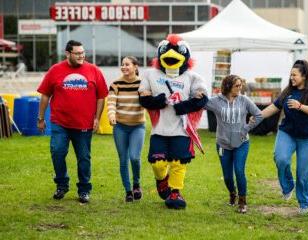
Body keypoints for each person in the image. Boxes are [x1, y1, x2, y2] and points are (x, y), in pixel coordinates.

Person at [139, 34, 208, 209]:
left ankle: (176, 192)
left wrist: (182, 106)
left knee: (178, 162)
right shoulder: (150, 74)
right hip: (159, 129)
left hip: (182, 130)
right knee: (157, 162)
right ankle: (162, 179)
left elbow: (202, 100)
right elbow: (143, 98)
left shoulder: (193, 77)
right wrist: (159, 101)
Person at [37, 40, 108, 203]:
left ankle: (84, 189)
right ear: (67, 53)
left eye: (83, 53)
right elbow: (45, 95)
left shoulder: (94, 71)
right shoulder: (55, 70)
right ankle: (62, 185)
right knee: (57, 152)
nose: (81, 56)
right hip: (60, 122)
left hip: (83, 124)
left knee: (84, 157)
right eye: (77, 53)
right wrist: (40, 118)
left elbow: (101, 96)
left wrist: (97, 117)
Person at [259, 59, 308, 214]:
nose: (291, 78)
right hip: (288, 133)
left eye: (294, 75)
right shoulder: (288, 91)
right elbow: (274, 107)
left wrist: (300, 106)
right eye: (290, 75)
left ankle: (304, 203)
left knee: (304, 172)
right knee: (280, 158)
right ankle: (288, 186)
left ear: (304, 75)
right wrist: (257, 116)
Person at [205, 75, 263, 213]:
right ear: (227, 86)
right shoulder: (216, 101)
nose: (240, 88)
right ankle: (232, 193)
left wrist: (246, 128)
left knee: (239, 170)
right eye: (237, 86)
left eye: (240, 85)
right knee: (227, 176)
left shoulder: (244, 100)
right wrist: (198, 95)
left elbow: (259, 115)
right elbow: (199, 104)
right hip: (223, 144)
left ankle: (242, 201)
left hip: (242, 142)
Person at [107, 56, 145, 202]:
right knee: (123, 160)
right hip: (120, 127)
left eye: (127, 64)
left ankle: (136, 183)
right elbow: (111, 102)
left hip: (138, 126)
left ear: (135, 67)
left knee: (134, 157)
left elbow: (148, 100)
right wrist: (111, 115)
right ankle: (128, 191)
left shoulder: (142, 84)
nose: (124, 67)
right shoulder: (116, 84)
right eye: (122, 64)